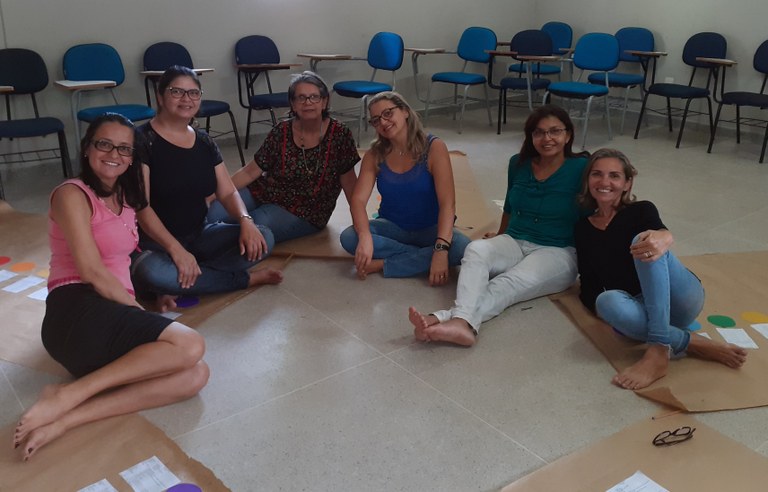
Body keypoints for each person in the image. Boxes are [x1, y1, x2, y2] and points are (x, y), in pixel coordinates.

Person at [13, 114, 209, 461]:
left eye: (124, 148)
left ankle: (67, 418)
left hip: (106, 320)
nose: (114, 154)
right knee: (190, 343)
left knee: (195, 376)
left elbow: (120, 260)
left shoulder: (125, 196)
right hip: (75, 312)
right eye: (104, 144)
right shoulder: (72, 194)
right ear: (87, 148)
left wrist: (148, 299)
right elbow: (91, 270)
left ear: (132, 157)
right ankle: (69, 395)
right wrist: (139, 314)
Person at [409, 105, 589, 345]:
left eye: (555, 131)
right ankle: (458, 322)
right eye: (539, 132)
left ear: (568, 135)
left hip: (557, 250)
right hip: (515, 239)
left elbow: (604, 204)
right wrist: (500, 236)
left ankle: (448, 319)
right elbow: (509, 207)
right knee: (475, 250)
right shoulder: (519, 163)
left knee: (508, 283)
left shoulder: (582, 168)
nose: (547, 138)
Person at [574, 148, 747, 390]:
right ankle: (689, 341)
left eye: (614, 176)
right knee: (604, 302)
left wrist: (664, 236)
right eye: (597, 174)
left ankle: (658, 349)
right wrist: (611, 313)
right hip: (638, 307)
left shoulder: (641, 210)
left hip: (678, 298)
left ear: (627, 183)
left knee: (644, 241)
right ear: (588, 180)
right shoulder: (583, 228)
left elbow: (660, 234)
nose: (604, 182)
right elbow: (589, 288)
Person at [131, 66, 282, 311]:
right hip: (155, 244)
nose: (186, 99)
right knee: (151, 272)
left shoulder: (204, 141)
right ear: (160, 96)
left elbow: (228, 191)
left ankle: (180, 281)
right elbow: (142, 209)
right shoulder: (141, 141)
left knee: (263, 237)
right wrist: (176, 250)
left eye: (193, 93)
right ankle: (241, 279)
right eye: (177, 92)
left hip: (199, 235)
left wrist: (245, 221)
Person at [213, 71, 359, 243]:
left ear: (324, 101)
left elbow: (350, 183)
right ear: (293, 104)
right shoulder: (281, 130)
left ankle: (205, 245)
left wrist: (361, 227)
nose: (308, 102)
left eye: (314, 97)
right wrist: (216, 194)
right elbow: (250, 172)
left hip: (305, 211)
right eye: (301, 98)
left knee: (254, 226)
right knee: (214, 212)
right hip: (265, 192)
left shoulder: (340, 134)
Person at [340, 91, 470, 284]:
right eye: (376, 120)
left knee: (463, 247)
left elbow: (447, 204)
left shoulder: (434, 147)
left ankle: (385, 264)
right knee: (350, 237)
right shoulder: (374, 155)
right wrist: (365, 237)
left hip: (431, 228)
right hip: (393, 227)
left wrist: (441, 248)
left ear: (405, 111)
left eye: (388, 113)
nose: (383, 122)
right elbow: (358, 201)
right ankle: (422, 258)